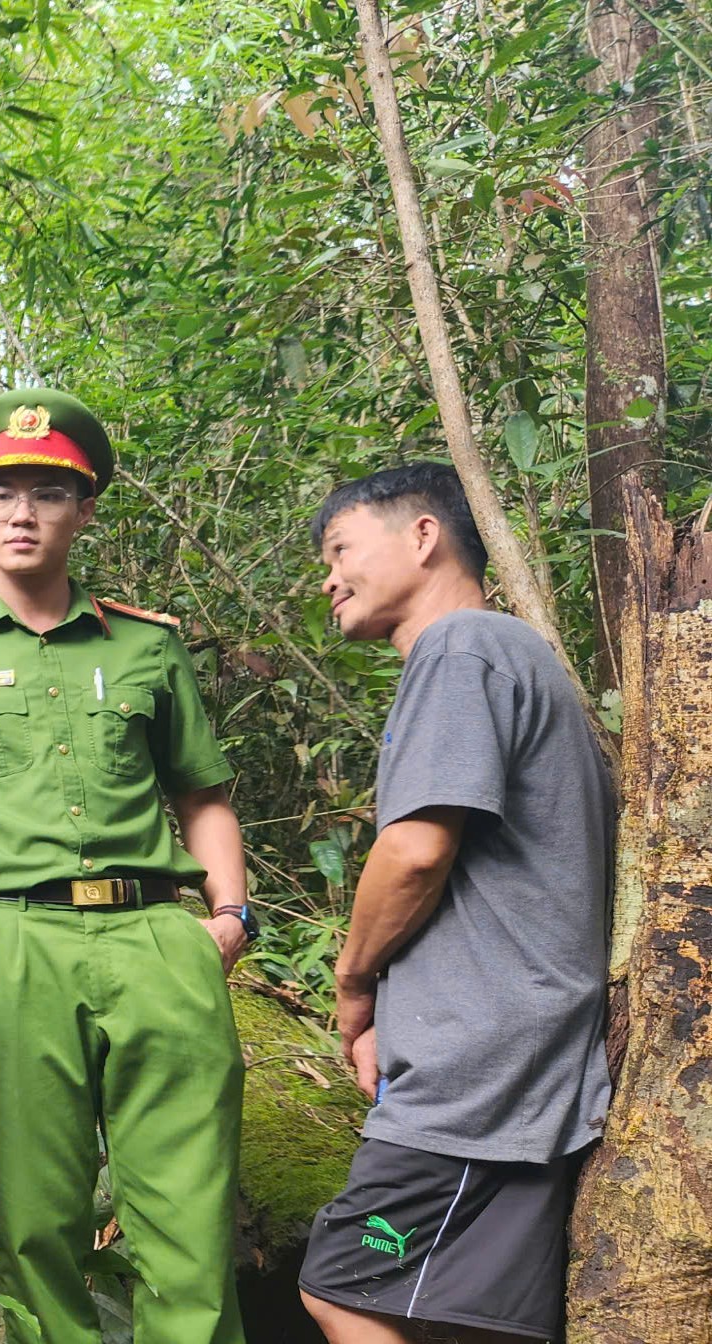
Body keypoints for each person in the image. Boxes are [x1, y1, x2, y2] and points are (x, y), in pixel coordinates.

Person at [0, 388, 253, 1344]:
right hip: (9, 945)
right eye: (0, 492)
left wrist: (228, 918)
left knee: (188, 1221)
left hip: (155, 937)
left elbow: (202, 795)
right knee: (35, 1221)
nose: (21, 512)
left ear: (82, 512)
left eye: (47, 493)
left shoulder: (146, 645)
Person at [298, 463, 612, 1344]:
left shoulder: (461, 646)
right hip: (521, 1044)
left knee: (337, 1285)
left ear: (423, 535)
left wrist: (354, 982)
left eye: (340, 549)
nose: (328, 577)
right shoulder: (510, 654)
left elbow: (415, 850)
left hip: (478, 1064)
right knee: (466, 1323)